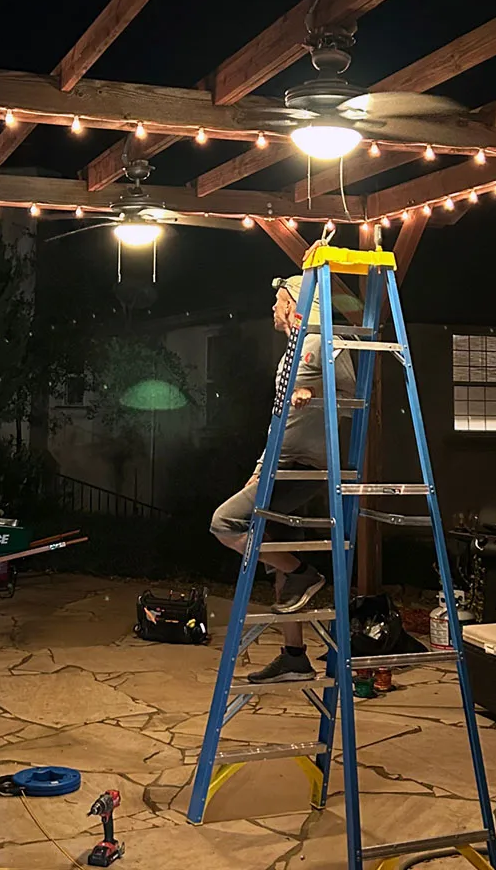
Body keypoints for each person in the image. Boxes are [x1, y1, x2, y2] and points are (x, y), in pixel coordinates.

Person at [209, 269, 356, 683]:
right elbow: (281, 418)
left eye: (278, 301)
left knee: (224, 523)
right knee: (274, 547)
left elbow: (351, 394)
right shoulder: (292, 349)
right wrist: (260, 467)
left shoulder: (324, 341)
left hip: (302, 467)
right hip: (279, 461)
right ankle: (294, 655)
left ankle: (303, 573)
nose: (273, 308)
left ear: (294, 303)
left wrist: (314, 394)